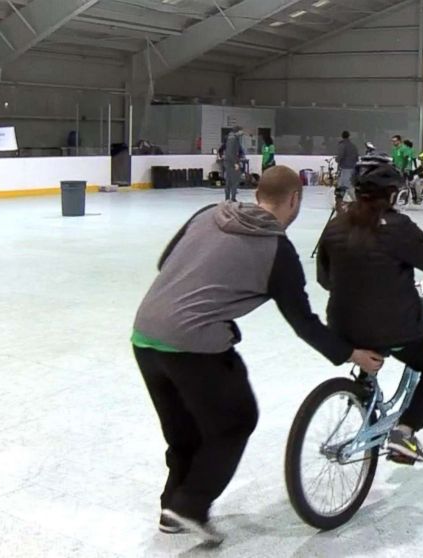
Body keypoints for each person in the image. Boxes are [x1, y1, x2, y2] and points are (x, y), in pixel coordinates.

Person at [131, 165, 384, 545]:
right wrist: (351, 354)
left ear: (257, 193)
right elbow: (303, 322)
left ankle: (173, 506)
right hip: (194, 344)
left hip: (145, 333)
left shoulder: (210, 213)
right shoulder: (277, 250)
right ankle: (190, 507)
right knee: (236, 420)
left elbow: (165, 261)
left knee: (184, 428)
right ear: (295, 200)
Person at [315, 158, 423, 463]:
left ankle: (365, 392)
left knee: (371, 345)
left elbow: (325, 279)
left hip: (342, 328)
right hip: (394, 328)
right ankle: (404, 431)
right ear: (392, 194)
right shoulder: (397, 227)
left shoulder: (335, 226)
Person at [335, 131, 359, 204]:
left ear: (342, 136)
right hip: (353, 167)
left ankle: (355, 201)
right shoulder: (353, 145)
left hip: (345, 167)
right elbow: (357, 156)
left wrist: (337, 159)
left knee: (346, 185)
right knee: (344, 184)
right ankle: (340, 200)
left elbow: (340, 155)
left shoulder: (342, 145)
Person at [222, 126, 244, 201]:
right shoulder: (233, 139)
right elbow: (230, 153)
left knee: (229, 180)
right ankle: (232, 198)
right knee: (234, 180)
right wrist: (235, 163)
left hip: (229, 162)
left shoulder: (231, 138)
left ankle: (227, 198)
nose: (242, 133)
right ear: (237, 131)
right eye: (241, 131)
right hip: (231, 163)